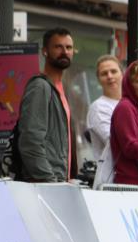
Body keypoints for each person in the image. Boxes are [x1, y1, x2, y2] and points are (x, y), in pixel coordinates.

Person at [13, 28, 76, 182]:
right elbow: (31, 141)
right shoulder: (40, 87)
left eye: (68, 47)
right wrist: (49, 180)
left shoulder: (60, 90)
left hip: (59, 181)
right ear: (45, 51)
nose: (64, 51)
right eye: (58, 47)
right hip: (45, 184)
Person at [87, 55, 122, 186]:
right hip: (110, 180)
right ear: (99, 79)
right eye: (104, 73)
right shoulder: (98, 107)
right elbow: (115, 140)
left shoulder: (131, 104)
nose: (110, 76)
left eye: (113, 71)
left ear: (122, 74)